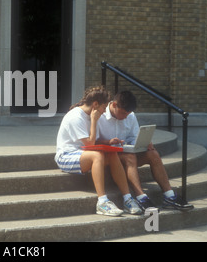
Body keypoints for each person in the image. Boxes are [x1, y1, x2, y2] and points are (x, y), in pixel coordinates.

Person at [97, 91, 194, 211]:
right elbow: (92, 142)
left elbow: (133, 137)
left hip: (125, 153)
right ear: (114, 105)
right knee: (129, 157)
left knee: (153, 154)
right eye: (123, 113)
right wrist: (108, 142)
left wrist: (143, 143)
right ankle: (140, 197)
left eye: (128, 114)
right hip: (108, 157)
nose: (125, 117)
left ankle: (169, 195)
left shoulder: (130, 115)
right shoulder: (99, 115)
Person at [55, 86, 142, 216]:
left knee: (112, 153)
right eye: (103, 107)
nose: (104, 111)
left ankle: (127, 198)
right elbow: (90, 144)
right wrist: (94, 121)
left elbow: (93, 143)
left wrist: (108, 143)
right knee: (97, 156)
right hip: (66, 156)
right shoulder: (76, 117)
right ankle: (102, 202)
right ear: (95, 104)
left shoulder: (90, 115)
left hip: (83, 154)